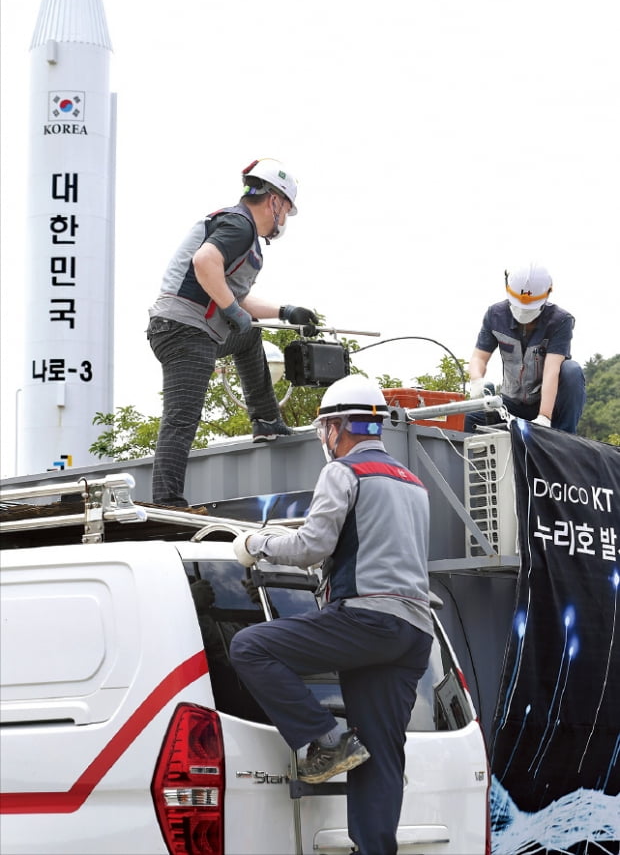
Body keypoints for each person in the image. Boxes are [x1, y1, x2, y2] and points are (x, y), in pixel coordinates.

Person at [229, 375, 434, 855]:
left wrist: (257, 545)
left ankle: (323, 740)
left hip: (368, 619)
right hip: (415, 630)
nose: (325, 437)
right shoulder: (414, 482)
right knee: (378, 755)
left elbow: (312, 546)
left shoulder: (343, 472)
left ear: (338, 427)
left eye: (325, 427)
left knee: (250, 646)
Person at [147, 159, 319, 507]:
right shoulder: (239, 225)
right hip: (184, 330)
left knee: (249, 337)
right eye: (285, 208)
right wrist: (231, 310)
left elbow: (233, 293)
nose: (283, 218)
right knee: (182, 417)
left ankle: (267, 419)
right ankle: (167, 500)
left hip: (195, 330)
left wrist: (284, 312)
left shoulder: (241, 231)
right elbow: (204, 263)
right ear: (274, 200)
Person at [465, 261, 586, 434]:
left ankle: (565, 437)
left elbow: (552, 370)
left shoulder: (560, 321)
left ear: (547, 293)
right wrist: (476, 380)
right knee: (470, 418)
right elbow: (479, 357)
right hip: (511, 404)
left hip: (545, 404)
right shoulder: (495, 315)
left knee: (571, 370)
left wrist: (544, 416)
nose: (523, 313)